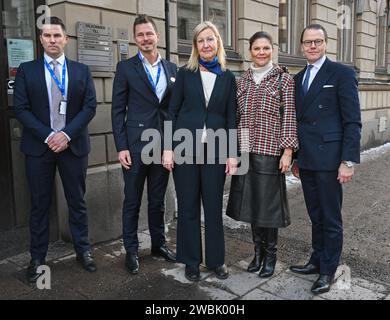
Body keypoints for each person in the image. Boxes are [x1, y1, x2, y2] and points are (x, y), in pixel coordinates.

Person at [13, 17, 97, 282]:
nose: (52, 40)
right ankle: (37, 257)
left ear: (65, 39)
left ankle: (83, 250)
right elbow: (21, 109)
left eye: (57, 36)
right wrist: (50, 135)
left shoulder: (81, 70)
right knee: (39, 205)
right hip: (40, 148)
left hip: (73, 147)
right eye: (47, 36)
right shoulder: (27, 70)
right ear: (41, 40)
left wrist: (66, 134)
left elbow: (89, 106)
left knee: (77, 202)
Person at [162, 21, 237, 282]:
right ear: (195, 46)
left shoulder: (228, 77)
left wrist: (232, 153)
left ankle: (216, 261)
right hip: (185, 149)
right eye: (201, 41)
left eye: (210, 39)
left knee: (214, 207)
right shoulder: (185, 74)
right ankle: (191, 261)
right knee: (189, 207)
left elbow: (230, 117)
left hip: (216, 151)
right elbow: (171, 111)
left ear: (218, 42)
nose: (206, 45)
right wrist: (168, 148)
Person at [289, 24, 362, 294]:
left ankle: (328, 270)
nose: (312, 46)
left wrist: (348, 161)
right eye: (307, 42)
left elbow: (353, 121)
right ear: (301, 45)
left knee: (331, 218)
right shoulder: (298, 79)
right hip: (307, 159)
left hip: (331, 160)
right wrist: (296, 158)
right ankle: (316, 260)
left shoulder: (341, 73)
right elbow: (298, 122)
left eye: (317, 42)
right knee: (315, 215)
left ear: (326, 44)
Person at [226, 31, 298, 278]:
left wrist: (287, 152)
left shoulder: (284, 80)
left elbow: (289, 117)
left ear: (272, 50)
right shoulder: (241, 81)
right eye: (257, 48)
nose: (261, 52)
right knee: (250, 204)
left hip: (270, 151)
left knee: (268, 208)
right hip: (246, 149)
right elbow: (236, 118)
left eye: (266, 48)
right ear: (250, 51)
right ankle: (257, 253)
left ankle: (271, 256)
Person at [111, 14, 177, 275]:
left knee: (158, 201)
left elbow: (174, 111)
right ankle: (131, 250)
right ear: (135, 38)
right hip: (136, 146)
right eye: (140, 35)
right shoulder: (126, 68)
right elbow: (117, 110)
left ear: (157, 36)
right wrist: (121, 146)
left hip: (162, 146)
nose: (145, 38)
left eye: (149, 33)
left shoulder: (173, 69)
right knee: (132, 200)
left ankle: (158, 245)